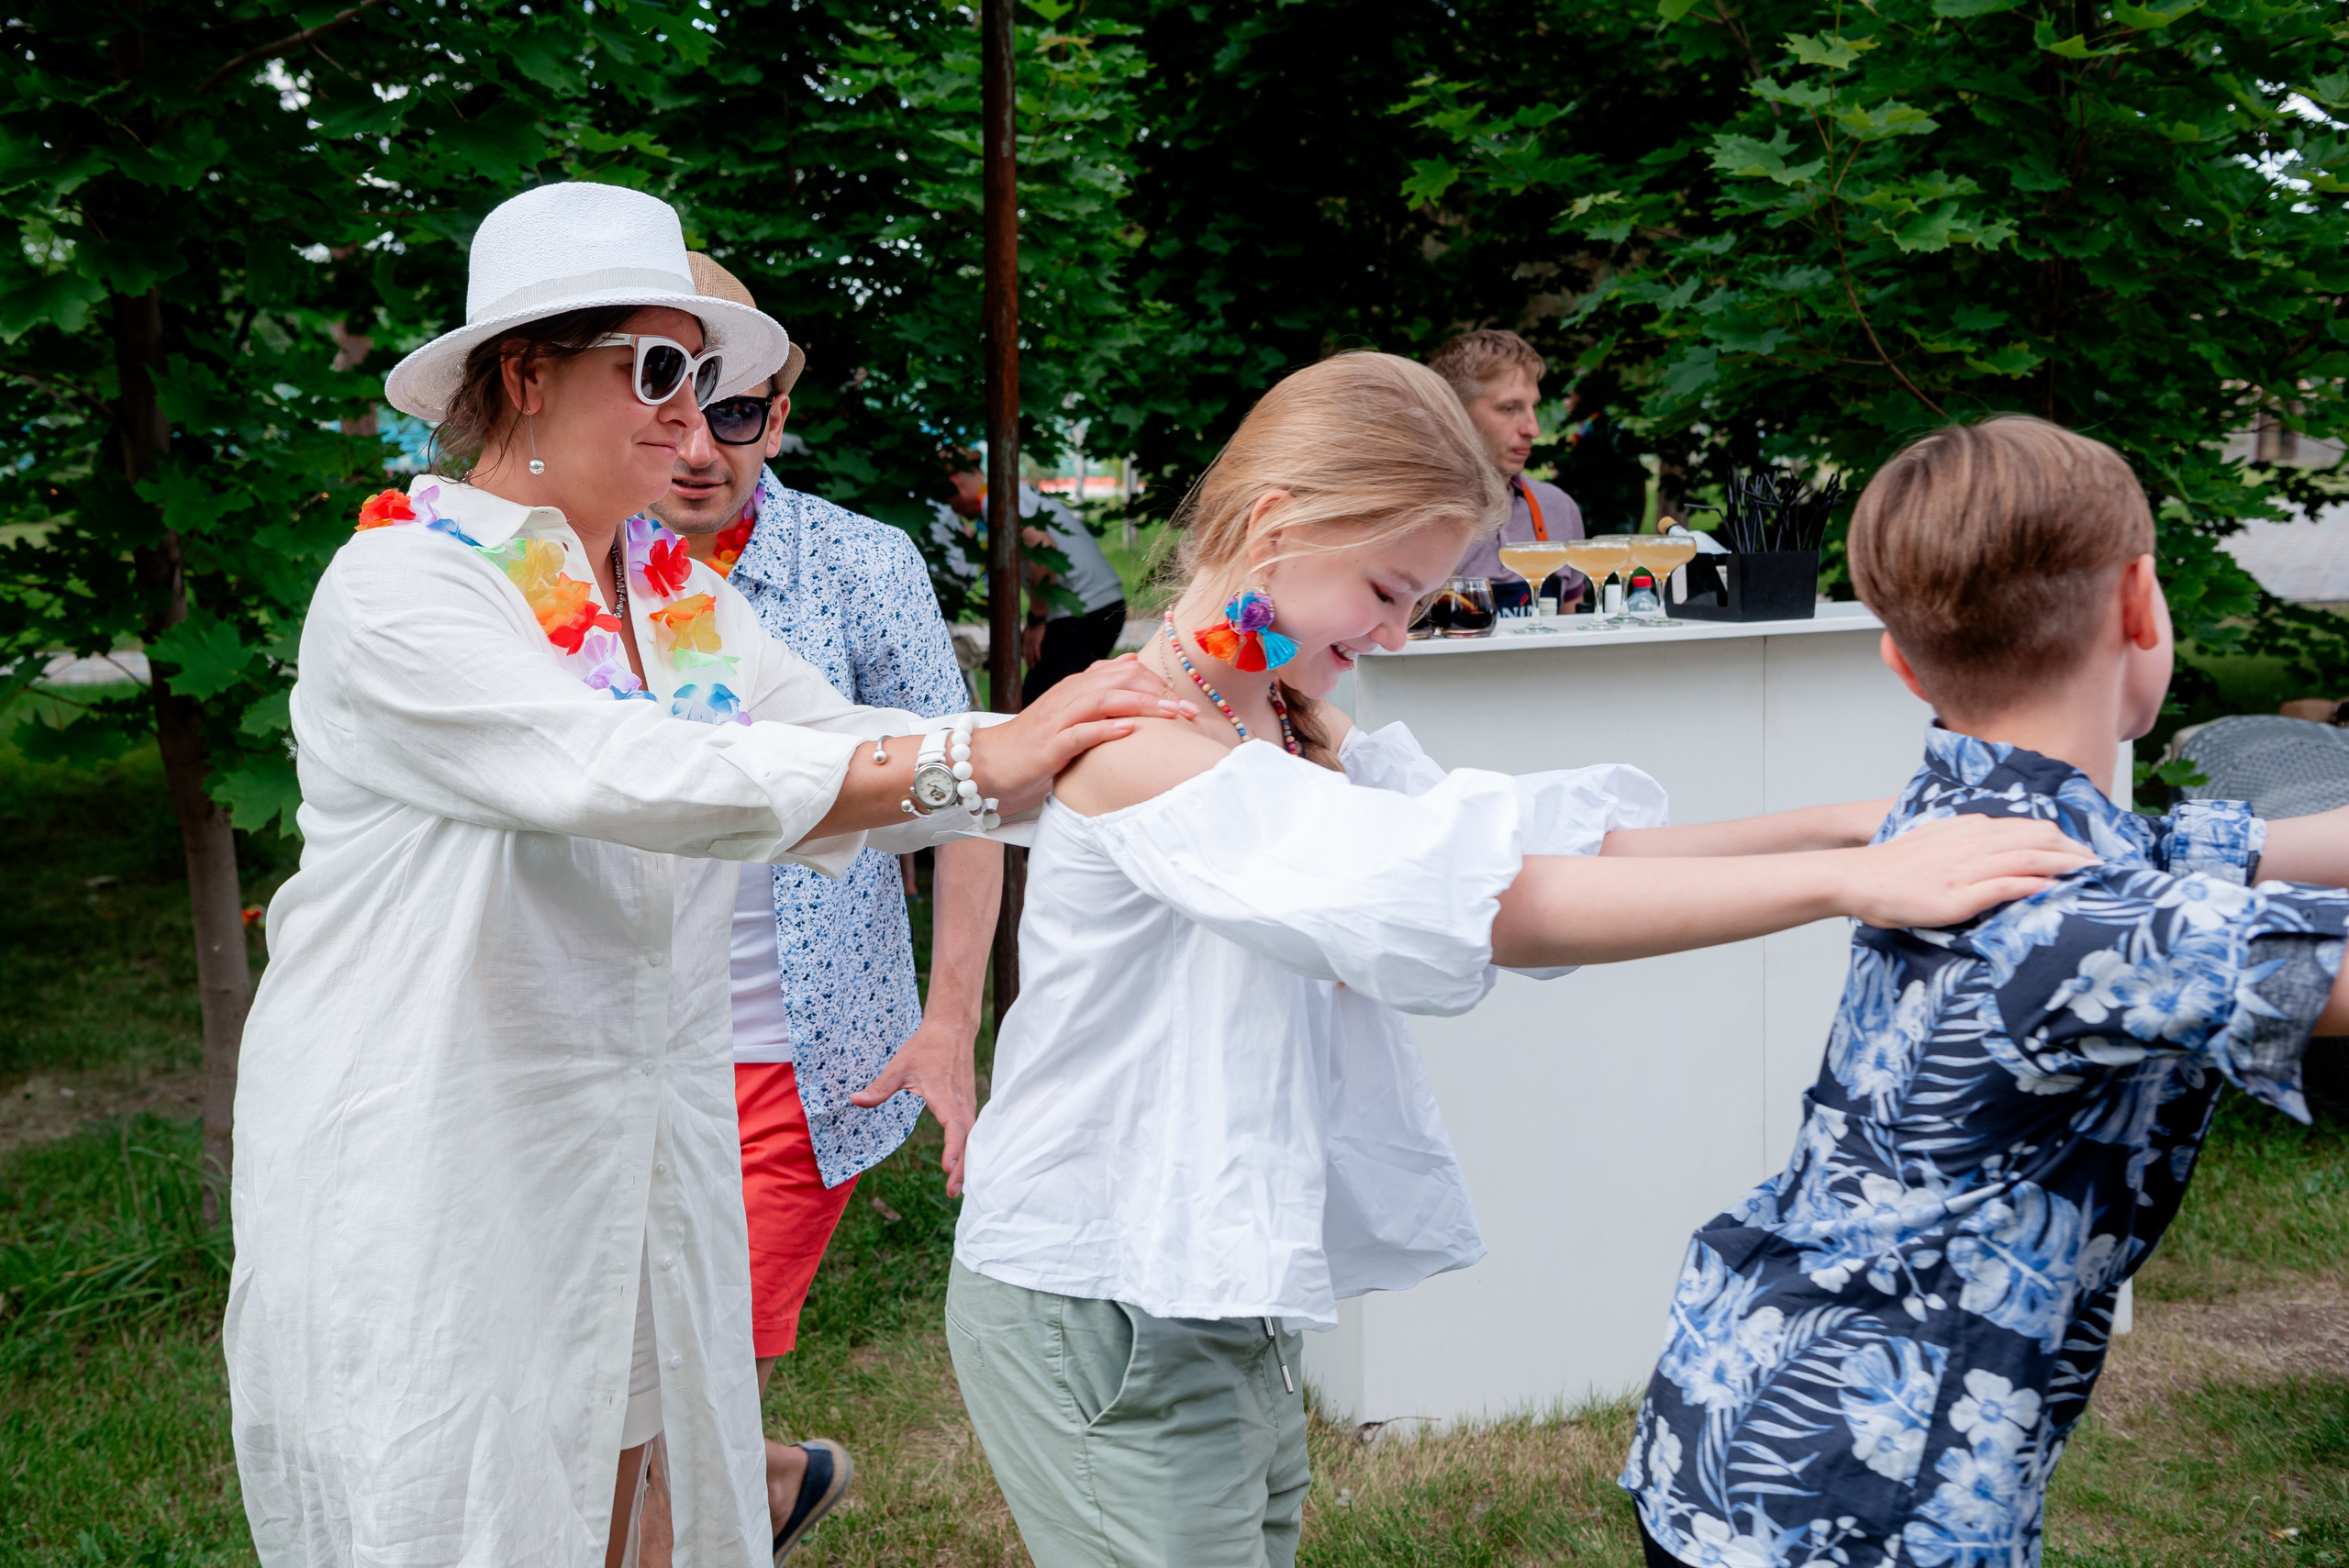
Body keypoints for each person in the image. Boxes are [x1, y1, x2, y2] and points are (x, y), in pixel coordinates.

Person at [941, 353, 2095, 1568]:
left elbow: (1563, 844)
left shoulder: (1279, 720)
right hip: (1101, 1297)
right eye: (1388, 589)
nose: (1396, 630)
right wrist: (1843, 885)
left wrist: (1842, 822)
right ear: (1278, 526)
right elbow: (1491, 904)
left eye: (1420, 597)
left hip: (1207, 1291)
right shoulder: (1140, 739)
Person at [223, 181, 1186, 1568]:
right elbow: (631, 773)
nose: (694, 410)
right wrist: (992, 759)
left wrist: (1079, 735)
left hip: (632, 1143)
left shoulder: (672, 597)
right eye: (660, 369)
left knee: (631, 1473)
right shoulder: (403, 591)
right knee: (461, 1493)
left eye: (714, 373)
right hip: (443, 1145)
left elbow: (829, 734)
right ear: (526, 376)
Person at [1619, 416, 2349, 1568]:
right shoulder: (2085, 924)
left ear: (1901, 663)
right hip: (1868, 1504)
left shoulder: (1958, 819)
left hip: (1740, 1417)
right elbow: (2179, 920)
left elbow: (2205, 848)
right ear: (2142, 604)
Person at [646, 253, 1003, 1554]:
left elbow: (963, 792)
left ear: (780, 414)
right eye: (668, 396)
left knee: (679, 1405)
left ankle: (734, 1493)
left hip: (787, 1058)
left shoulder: (856, 564)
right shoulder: (555, 570)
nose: (700, 446)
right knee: (621, 1390)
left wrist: (949, 1019)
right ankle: (777, 1477)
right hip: (605, 1041)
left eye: (738, 409)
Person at [941, 456, 1130, 705]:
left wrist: (1037, 620)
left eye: (948, 498)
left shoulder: (993, 500)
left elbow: (1042, 548)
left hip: (1083, 610)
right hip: (1099, 604)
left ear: (956, 485)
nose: (953, 509)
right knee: (1067, 701)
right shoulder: (1013, 490)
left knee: (1039, 704)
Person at [1429, 328, 1589, 612]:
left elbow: (1572, 637)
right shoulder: (1415, 515)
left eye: (1533, 407)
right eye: (1509, 408)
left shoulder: (1558, 508)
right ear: (1453, 412)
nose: (1533, 429)